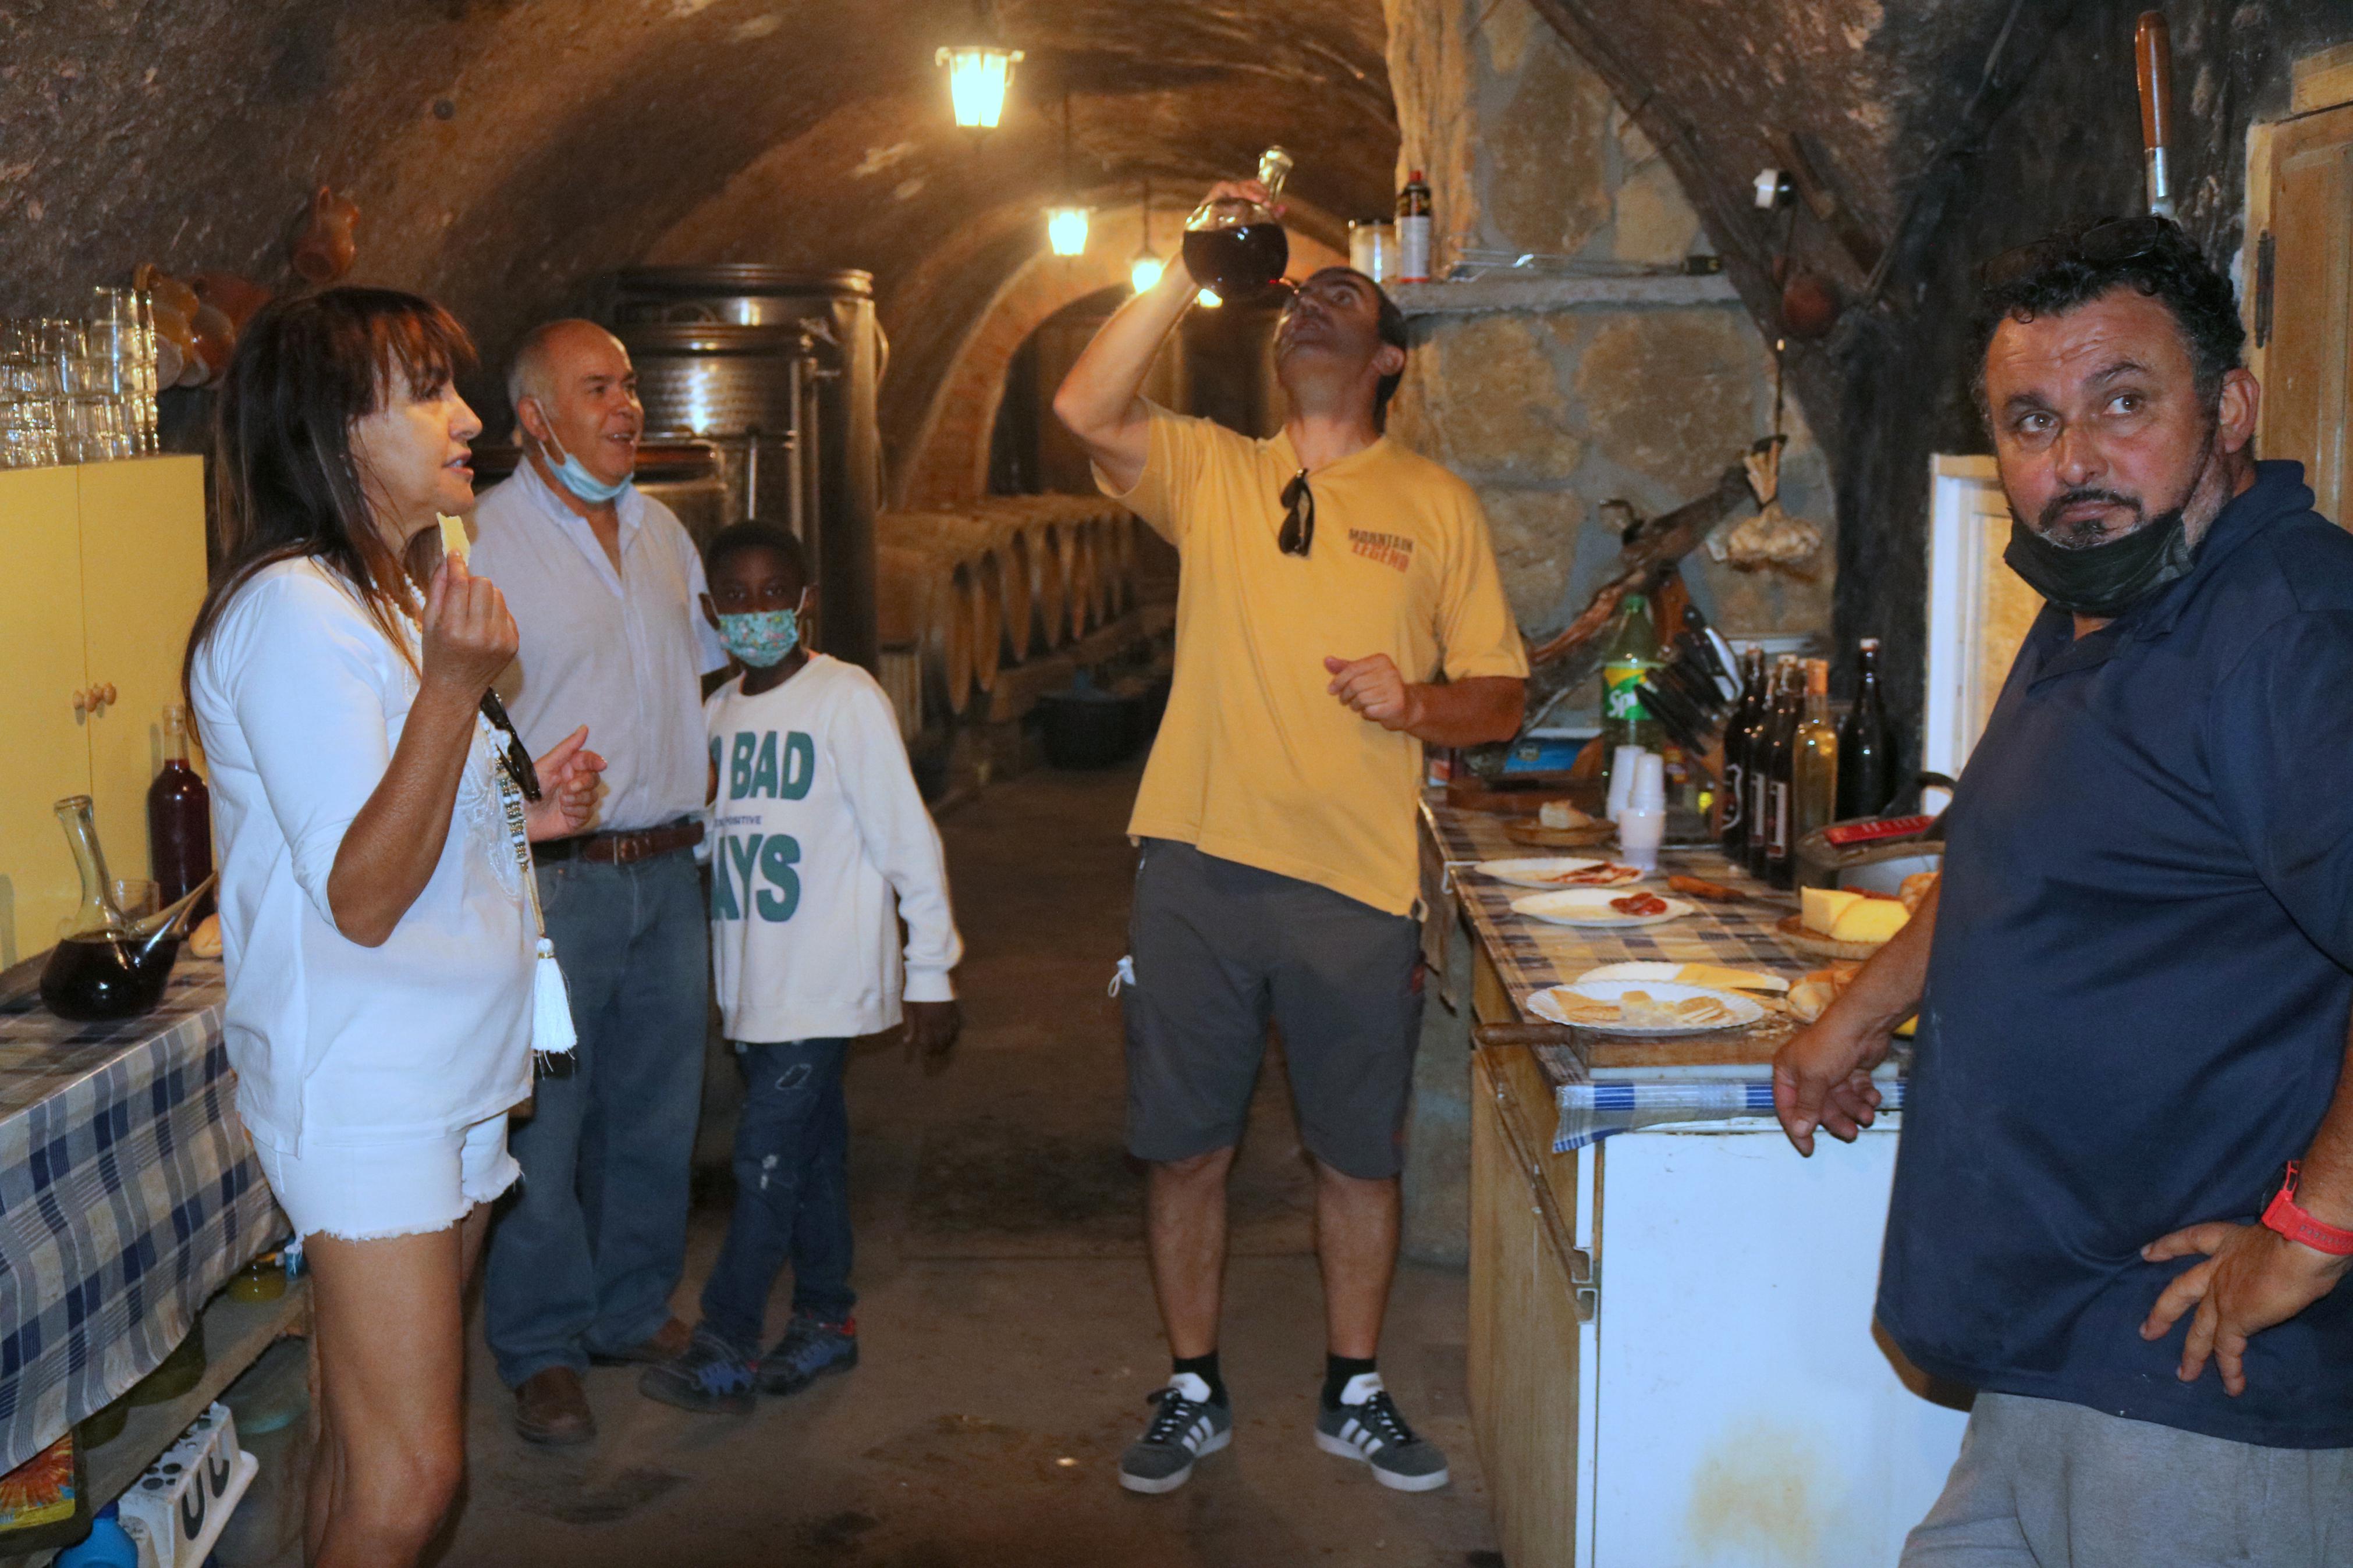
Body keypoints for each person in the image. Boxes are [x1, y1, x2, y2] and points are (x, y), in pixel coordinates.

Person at [1774, 216, 2353, 1566]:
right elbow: (2010, 855)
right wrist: (1857, 1014)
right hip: (2053, 1340)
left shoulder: (2288, 636)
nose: (2074, 461)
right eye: (2032, 421)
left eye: (2124, 403)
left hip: (2200, 1394)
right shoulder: (2108, 590)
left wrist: (2312, 1235)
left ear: (2230, 412)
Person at [1052, 185, 1529, 1496]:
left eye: (1347, 299)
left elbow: (1502, 693)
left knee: (1355, 1154)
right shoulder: (1213, 469)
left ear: (1386, 360)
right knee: (1184, 1144)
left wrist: (1416, 701)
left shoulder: (1436, 505)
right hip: (1197, 869)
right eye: (1300, 298)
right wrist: (1184, 270)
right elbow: (1085, 410)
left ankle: (1354, 1387)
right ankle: (1193, 1382)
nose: (1315, 305)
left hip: (1357, 883)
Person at [185, 289, 602, 1566]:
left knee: (358, 1446)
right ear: (334, 430)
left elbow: (398, 829)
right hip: (370, 1087)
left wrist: (523, 822)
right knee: (415, 1481)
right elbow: (360, 896)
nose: (467, 417)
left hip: (446, 1073)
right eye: (426, 391)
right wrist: (456, 690)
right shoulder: (290, 615)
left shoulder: (388, 598)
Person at [636, 521, 963, 1414]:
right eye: (736, 599)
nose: (756, 612)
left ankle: (727, 1338)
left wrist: (930, 970)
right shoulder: (717, 715)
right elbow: (711, 843)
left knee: (764, 1162)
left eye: (774, 593)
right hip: (754, 992)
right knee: (813, 1160)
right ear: (710, 611)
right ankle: (826, 1321)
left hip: (822, 985)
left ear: (804, 599)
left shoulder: (845, 698)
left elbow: (907, 838)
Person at [471, 320, 729, 1446]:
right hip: (556, 881)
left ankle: (632, 1311)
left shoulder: (667, 532)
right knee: (547, 1121)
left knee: (659, 1113)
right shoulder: (477, 540)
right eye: (597, 388)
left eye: (629, 384)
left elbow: (707, 684)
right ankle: (541, 1348)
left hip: (670, 870)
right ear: (535, 419)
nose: (627, 405)